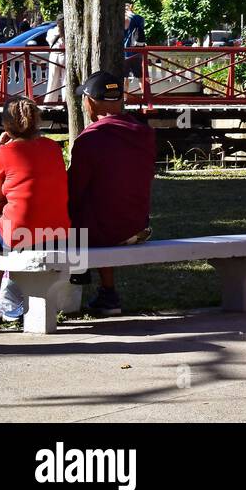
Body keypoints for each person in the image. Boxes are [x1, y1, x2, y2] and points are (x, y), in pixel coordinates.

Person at [67, 71, 156, 316]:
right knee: (101, 210)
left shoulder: (90, 139)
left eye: (83, 98)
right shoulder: (144, 133)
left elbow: (74, 190)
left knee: (70, 217)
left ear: (91, 101)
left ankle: (75, 282)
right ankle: (107, 293)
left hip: (105, 229)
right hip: (139, 224)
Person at [0, 99, 69, 323]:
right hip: (59, 232)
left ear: (6, 124)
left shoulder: (1, 155)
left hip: (19, 233)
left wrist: (1, 150)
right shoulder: (53, 147)